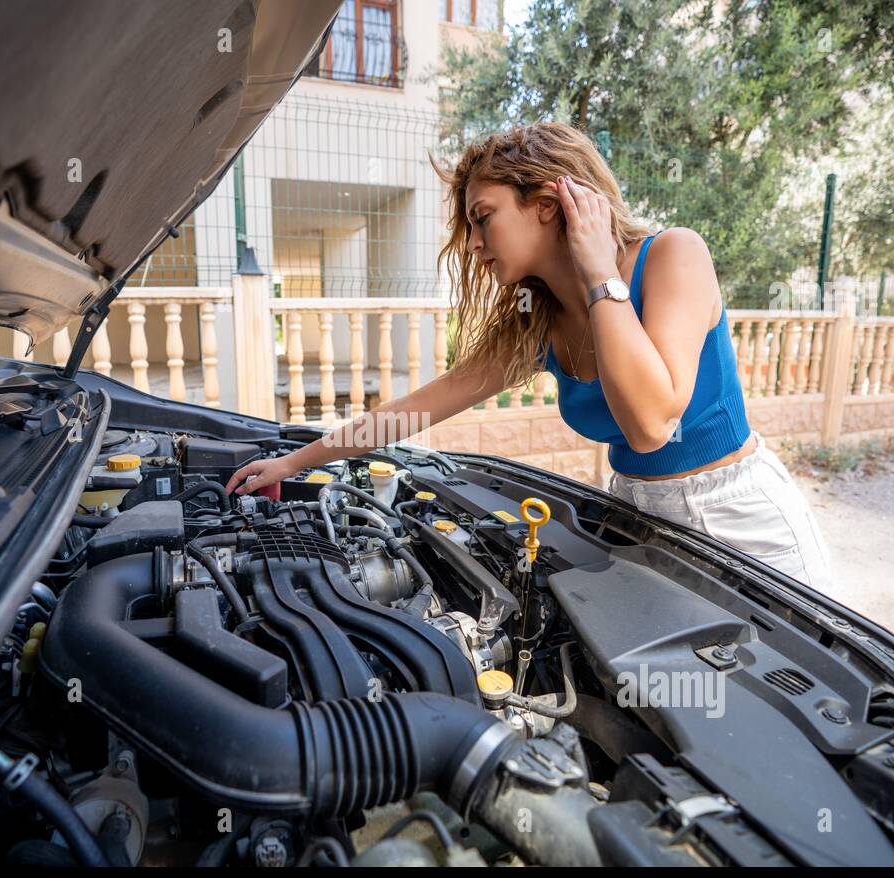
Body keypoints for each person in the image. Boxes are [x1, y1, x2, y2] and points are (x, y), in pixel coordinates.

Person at [227, 122, 834, 592]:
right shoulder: (536, 319)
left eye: (482, 218)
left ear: (548, 202)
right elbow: (417, 410)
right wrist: (297, 462)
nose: (472, 243)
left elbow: (652, 425)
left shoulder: (674, 256)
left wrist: (598, 271)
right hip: (636, 517)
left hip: (740, 521)